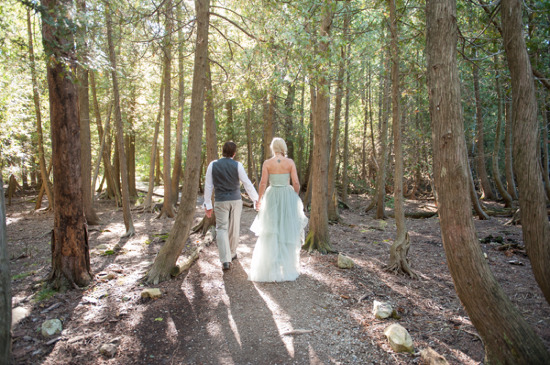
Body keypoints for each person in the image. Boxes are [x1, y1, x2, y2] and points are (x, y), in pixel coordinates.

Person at [248, 137, 308, 282]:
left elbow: (263, 182)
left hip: (272, 194)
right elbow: (296, 182)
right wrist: (294, 196)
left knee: (271, 229)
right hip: (287, 195)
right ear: (283, 147)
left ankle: (270, 269)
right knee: (286, 228)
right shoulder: (290, 162)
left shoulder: (268, 163)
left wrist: (259, 199)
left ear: (273, 148)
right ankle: (287, 268)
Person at [204, 141, 259, 271]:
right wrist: (256, 199)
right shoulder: (237, 165)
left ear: (222, 151)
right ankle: (232, 253)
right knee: (234, 228)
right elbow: (247, 183)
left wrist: (208, 204)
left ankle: (225, 260)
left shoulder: (213, 165)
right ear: (234, 154)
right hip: (235, 200)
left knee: (222, 228)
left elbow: (208, 186)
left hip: (220, 201)